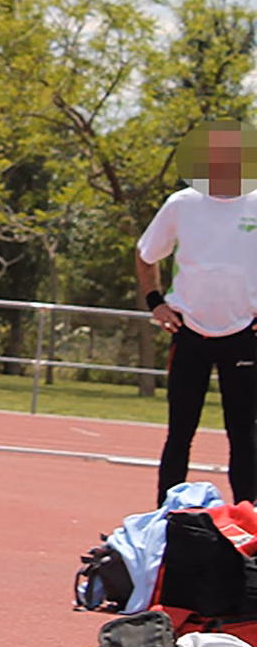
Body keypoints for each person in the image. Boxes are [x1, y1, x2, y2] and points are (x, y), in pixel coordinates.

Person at [136, 120, 257, 507]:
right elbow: (145, 254)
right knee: (180, 431)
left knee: (245, 433)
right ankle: (165, 517)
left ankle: (249, 522)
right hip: (189, 333)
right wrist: (155, 302)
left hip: (244, 333)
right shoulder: (182, 204)